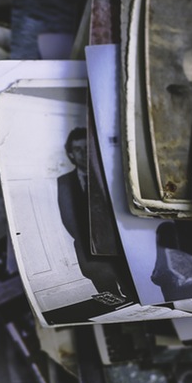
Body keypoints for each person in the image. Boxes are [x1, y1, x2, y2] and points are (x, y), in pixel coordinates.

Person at [55, 127, 127, 301]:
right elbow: (68, 219)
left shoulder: (107, 173)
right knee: (109, 295)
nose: (83, 153)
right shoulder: (64, 182)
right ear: (71, 154)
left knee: (132, 289)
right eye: (77, 150)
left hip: (119, 243)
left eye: (86, 148)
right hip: (88, 247)